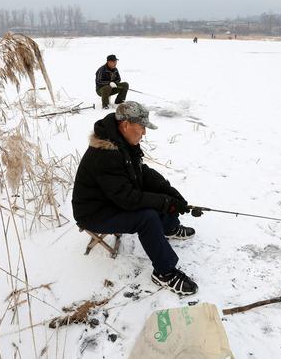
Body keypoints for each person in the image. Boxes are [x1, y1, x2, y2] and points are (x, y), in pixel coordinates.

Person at [72, 101, 199, 296]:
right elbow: (128, 199)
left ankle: (170, 227)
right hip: (94, 212)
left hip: (112, 198)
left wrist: (169, 193)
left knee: (157, 197)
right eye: (141, 128)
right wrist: (165, 203)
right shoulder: (105, 155)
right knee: (146, 217)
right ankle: (164, 272)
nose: (144, 133)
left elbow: (141, 172)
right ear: (126, 125)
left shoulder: (122, 141)